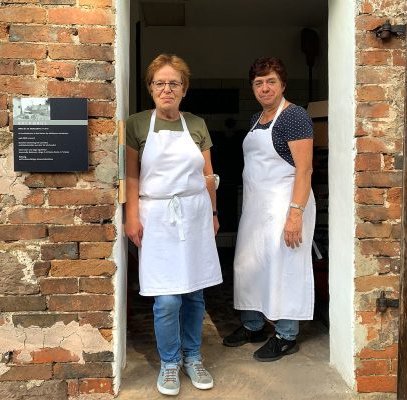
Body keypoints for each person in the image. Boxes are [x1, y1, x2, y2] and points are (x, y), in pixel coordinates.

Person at [125, 53, 222, 396]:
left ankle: (193, 355)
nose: (167, 89)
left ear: (184, 89)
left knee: (195, 293)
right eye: (160, 83)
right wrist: (132, 215)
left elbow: (207, 175)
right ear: (150, 88)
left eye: (174, 83)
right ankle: (170, 362)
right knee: (166, 299)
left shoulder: (196, 124)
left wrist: (212, 213)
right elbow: (132, 176)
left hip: (194, 214)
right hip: (157, 217)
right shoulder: (137, 124)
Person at [223, 57, 316, 362]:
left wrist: (295, 213)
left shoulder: (295, 116)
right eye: (259, 82)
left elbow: (304, 170)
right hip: (256, 207)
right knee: (249, 265)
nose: (264, 88)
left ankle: (286, 334)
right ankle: (253, 326)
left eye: (271, 81)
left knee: (284, 266)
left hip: (287, 204)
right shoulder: (255, 119)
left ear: (283, 84)